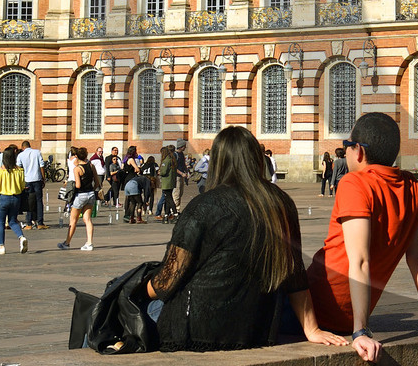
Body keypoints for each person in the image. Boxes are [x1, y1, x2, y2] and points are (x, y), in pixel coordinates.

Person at [143, 126, 349, 352]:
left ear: (219, 161)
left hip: (198, 328)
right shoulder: (280, 203)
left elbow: (167, 280)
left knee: (132, 306)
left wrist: (135, 290)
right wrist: (311, 329)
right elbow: (295, 272)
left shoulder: (203, 205)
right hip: (256, 328)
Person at [306, 112, 418, 363]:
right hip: (345, 318)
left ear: (359, 152)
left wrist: (361, 331)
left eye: (347, 146)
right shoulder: (412, 187)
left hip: (314, 307)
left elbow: (360, 261)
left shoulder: (354, 183)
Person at [57, 146, 98, 251]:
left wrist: (70, 187)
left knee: (73, 220)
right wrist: (91, 188)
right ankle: (89, 243)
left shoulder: (77, 169)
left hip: (80, 195)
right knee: (87, 219)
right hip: (91, 194)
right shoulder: (91, 166)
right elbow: (97, 182)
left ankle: (67, 242)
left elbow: (78, 185)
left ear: (76, 156)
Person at [0, 144, 30, 254]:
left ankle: (1, 246)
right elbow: (22, 185)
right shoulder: (19, 171)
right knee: (13, 221)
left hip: (3, 198)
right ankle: (21, 237)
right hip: (16, 198)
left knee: (0, 222)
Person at [18, 140, 46, 230]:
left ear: (23, 147)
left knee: (28, 201)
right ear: (30, 146)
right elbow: (42, 166)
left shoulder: (20, 155)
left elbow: (19, 168)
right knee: (39, 201)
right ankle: (40, 222)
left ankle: (29, 223)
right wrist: (43, 178)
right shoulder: (37, 152)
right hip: (37, 179)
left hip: (27, 180)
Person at [155, 145, 178, 220]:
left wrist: (159, 172)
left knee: (169, 198)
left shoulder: (166, 161)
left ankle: (175, 213)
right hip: (171, 181)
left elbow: (164, 172)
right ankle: (166, 214)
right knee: (167, 198)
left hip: (166, 182)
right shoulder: (172, 159)